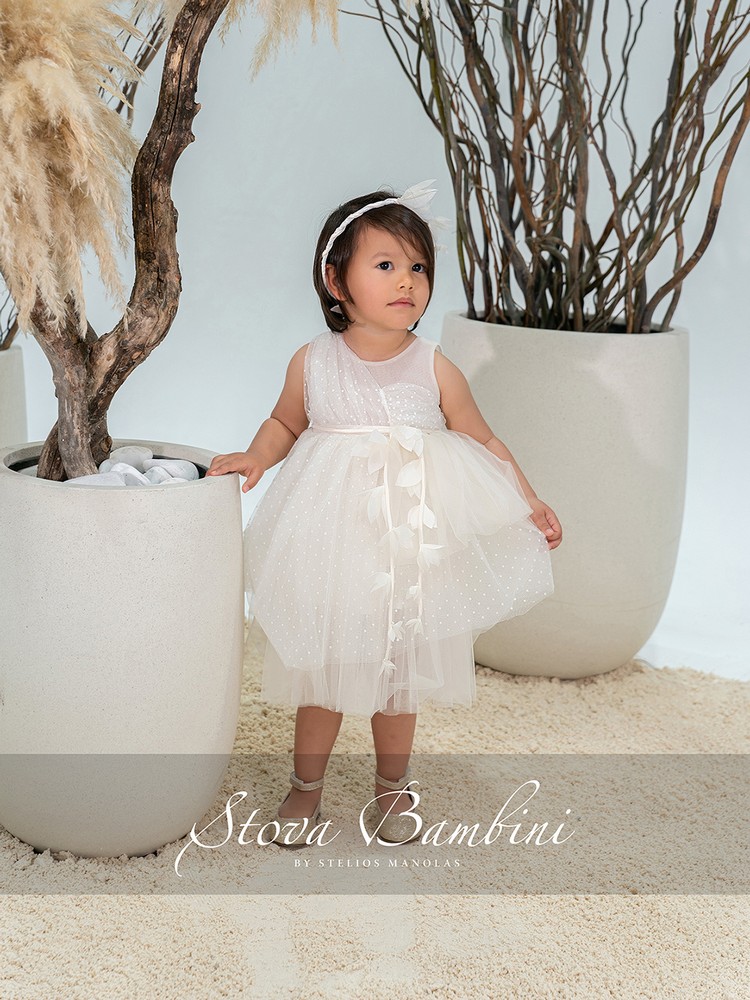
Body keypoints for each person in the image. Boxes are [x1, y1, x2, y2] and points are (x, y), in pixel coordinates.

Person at [206, 180, 562, 847]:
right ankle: (305, 788)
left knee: (400, 677)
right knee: (323, 671)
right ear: (335, 281)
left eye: (419, 267)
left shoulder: (434, 367)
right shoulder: (314, 362)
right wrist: (257, 455)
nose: (407, 281)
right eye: (386, 265)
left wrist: (528, 498)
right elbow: (285, 423)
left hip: (409, 550)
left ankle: (392, 788)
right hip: (331, 542)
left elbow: (483, 441)